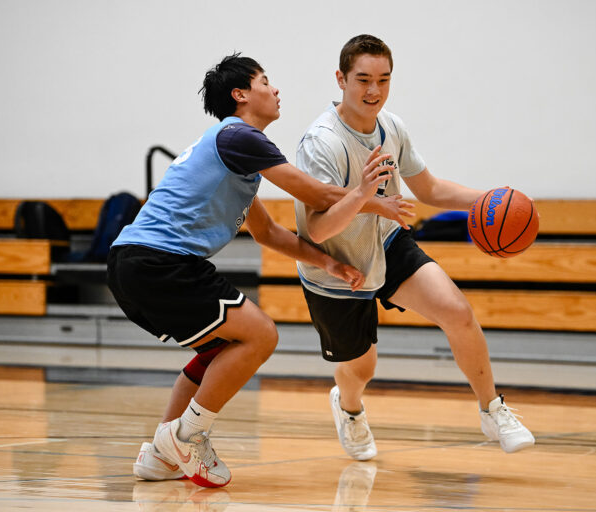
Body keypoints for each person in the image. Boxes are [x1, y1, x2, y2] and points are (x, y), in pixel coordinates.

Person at [108, 53, 410, 488]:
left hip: (131, 263)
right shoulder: (240, 135)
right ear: (241, 94)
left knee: (218, 350)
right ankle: (187, 436)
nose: (276, 89)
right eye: (266, 81)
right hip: (160, 261)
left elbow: (268, 232)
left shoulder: (233, 155)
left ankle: (159, 456)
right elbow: (313, 191)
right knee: (262, 334)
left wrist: (328, 262)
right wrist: (369, 196)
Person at [294, 34, 535, 461]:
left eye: (383, 80)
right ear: (341, 79)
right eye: (363, 79)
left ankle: (492, 409)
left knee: (457, 311)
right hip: (335, 265)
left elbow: (431, 188)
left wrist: (491, 199)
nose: (374, 91)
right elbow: (317, 229)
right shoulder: (322, 143)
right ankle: (348, 408)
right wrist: (368, 196)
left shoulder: (392, 128)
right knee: (362, 368)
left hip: (386, 241)